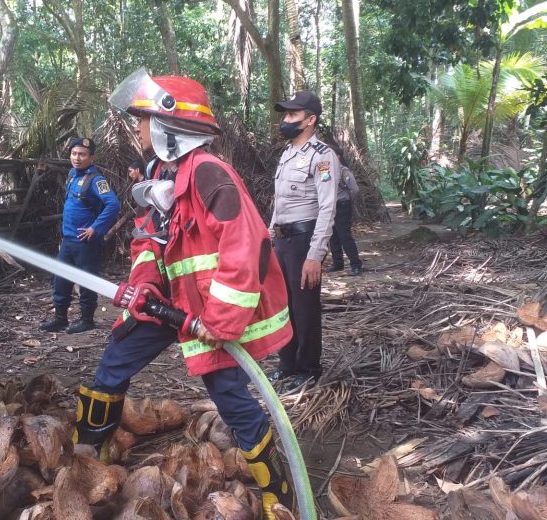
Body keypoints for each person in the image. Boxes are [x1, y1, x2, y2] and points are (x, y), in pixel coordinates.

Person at [72, 69, 294, 519]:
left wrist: (220, 321)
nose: (137, 128)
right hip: (170, 305)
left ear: (170, 126)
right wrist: (146, 284)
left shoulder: (211, 175)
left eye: (143, 119)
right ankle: (89, 460)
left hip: (210, 314)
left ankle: (280, 494)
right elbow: (147, 241)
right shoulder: (161, 175)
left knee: (230, 395)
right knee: (115, 359)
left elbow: (243, 247)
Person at [268, 90, 340, 388]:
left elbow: (327, 206)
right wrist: (270, 236)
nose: (286, 119)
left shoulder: (323, 156)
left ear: (310, 120)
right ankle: (287, 365)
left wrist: (315, 255)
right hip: (282, 241)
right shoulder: (286, 154)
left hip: (304, 241)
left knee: (304, 307)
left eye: (293, 115)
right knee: (282, 306)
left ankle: (308, 369)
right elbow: (279, 202)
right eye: (285, 114)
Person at [39, 137, 120, 334]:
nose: (77, 158)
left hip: (86, 242)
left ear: (91, 157)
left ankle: (86, 320)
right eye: (74, 154)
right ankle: (60, 318)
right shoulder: (71, 175)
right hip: (68, 241)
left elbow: (113, 204)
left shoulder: (96, 180)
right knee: (61, 279)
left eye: (82, 154)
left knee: (86, 280)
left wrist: (95, 228)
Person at [328, 163, 362, 275]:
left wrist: (346, 201)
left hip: (342, 205)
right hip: (329, 207)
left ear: (337, 156)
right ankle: (337, 263)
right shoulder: (325, 170)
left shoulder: (343, 170)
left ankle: (355, 264)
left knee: (344, 235)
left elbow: (354, 189)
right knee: (332, 235)